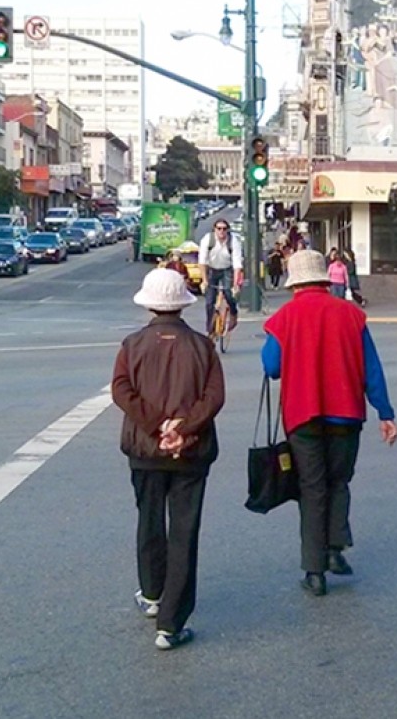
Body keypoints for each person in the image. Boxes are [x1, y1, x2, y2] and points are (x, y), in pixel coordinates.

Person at [260, 250, 397, 598]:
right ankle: (335, 549)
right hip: (346, 414)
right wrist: (385, 413)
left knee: (312, 488)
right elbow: (372, 370)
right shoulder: (351, 315)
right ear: (324, 279)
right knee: (339, 481)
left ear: (294, 284)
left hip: (303, 416)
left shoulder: (285, 317)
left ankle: (314, 570)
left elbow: (271, 367)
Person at [112, 268, 226, 651]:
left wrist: (157, 427)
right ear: (182, 304)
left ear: (149, 304)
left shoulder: (132, 345)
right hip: (191, 453)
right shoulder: (203, 346)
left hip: (145, 449)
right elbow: (214, 397)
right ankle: (171, 623)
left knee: (148, 522)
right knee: (184, 531)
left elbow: (121, 391)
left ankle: (152, 593)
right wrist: (184, 429)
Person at [197, 220, 244, 335]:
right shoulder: (207, 240)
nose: (221, 231)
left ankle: (233, 312)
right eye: (219, 228)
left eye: (224, 229)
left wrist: (235, 284)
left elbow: (237, 264)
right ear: (214, 229)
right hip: (212, 269)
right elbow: (202, 261)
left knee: (229, 293)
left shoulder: (233, 241)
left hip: (227, 269)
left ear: (227, 230)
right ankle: (210, 328)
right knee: (209, 300)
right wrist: (205, 281)